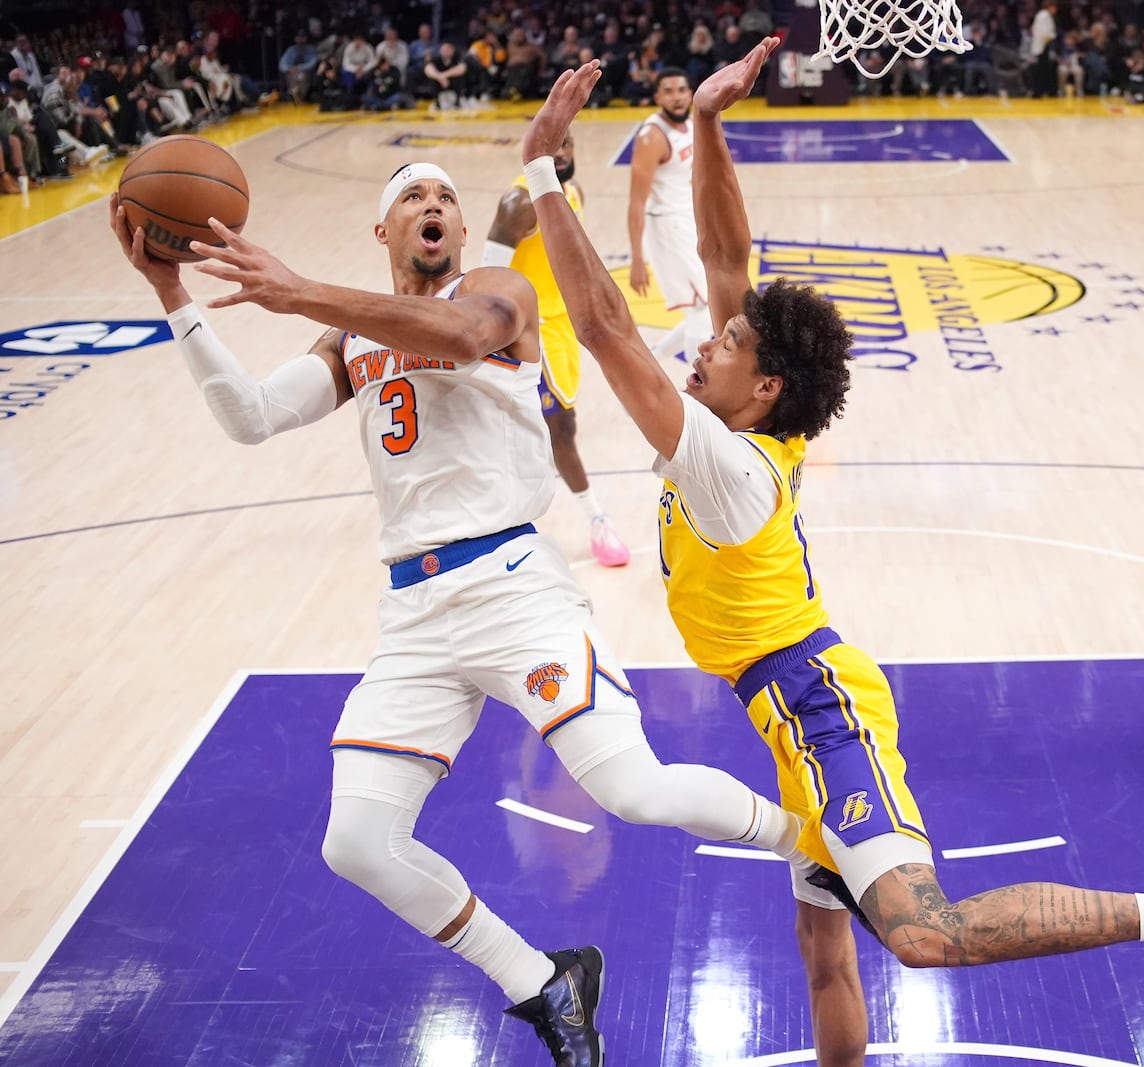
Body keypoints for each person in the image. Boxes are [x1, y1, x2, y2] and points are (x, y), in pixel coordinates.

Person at [521, 53, 1144, 1067]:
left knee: (923, 930)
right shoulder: (762, 421)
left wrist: (545, 174)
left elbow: (600, 322)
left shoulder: (724, 462)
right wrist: (711, 124)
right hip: (786, 706)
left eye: (728, 341)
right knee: (824, 957)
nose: (707, 339)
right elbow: (726, 251)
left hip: (816, 702)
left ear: (760, 388)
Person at [109, 158, 816, 1066]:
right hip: (414, 613)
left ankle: (812, 841)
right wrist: (175, 295)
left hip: (515, 588)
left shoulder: (498, 291)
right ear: (385, 233)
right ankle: (542, 980)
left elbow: (464, 337)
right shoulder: (350, 337)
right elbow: (250, 417)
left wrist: (300, 292)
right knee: (356, 842)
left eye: (444, 194)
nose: (433, 204)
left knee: (633, 790)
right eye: (412, 197)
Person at [483, 129, 632, 567]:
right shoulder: (518, 203)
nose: (561, 153)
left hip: (565, 324)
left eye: (567, 144)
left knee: (550, 424)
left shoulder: (572, 191)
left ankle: (517, 499)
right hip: (528, 328)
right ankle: (597, 520)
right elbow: (487, 274)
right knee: (559, 427)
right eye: (552, 146)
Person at [628, 67, 712, 361]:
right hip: (665, 229)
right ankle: (699, 394)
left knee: (702, 312)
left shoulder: (690, 124)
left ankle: (649, 362)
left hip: (686, 220)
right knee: (702, 310)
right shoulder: (652, 137)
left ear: (690, 93)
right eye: (668, 91)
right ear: (657, 97)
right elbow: (636, 202)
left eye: (681, 90)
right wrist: (637, 259)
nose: (676, 98)